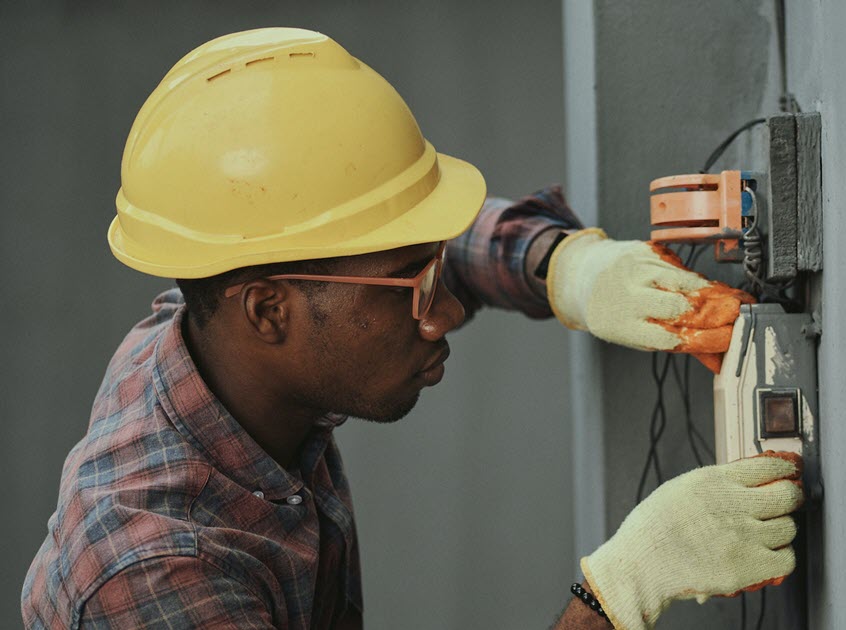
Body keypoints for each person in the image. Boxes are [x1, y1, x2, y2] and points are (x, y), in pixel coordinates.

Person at [21, 28, 803, 630]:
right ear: (267, 311)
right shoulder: (157, 571)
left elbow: (387, 248)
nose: (443, 314)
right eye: (413, 287)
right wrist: (616, 594)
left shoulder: (215, 325)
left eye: (433, 268)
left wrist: (565, 267)